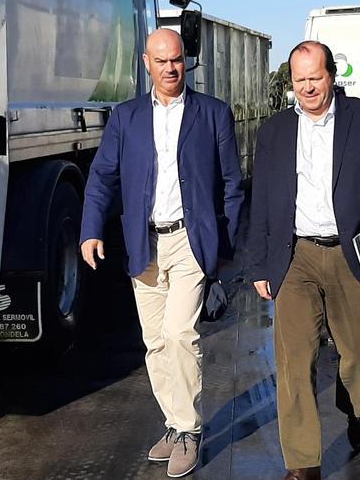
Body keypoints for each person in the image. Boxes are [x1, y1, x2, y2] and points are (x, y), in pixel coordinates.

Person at [80, 28, 244, 478]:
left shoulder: (213, 114)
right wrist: (90, 230)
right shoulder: (126, 117)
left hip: (190, 240)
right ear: (145, 63)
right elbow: (102, 179)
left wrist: (222, 245)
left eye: (177, 60)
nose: (171, 68)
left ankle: (189, 430)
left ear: (185, 62)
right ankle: (173, 423)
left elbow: (232, 184)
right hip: (142, 242)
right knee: (154, 343)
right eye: (161, 60)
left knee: (178, 334)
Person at [247, 41, 360, 480]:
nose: (308, 87)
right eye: (299, 80)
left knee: (359, 354)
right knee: (294, 362)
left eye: (315, 77)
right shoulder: (275, 131)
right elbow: (261, 200)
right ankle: (303, 464)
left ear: (332, 75)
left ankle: (356, 408)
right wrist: (259, 264)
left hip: (351, 253)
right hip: (294, 256)